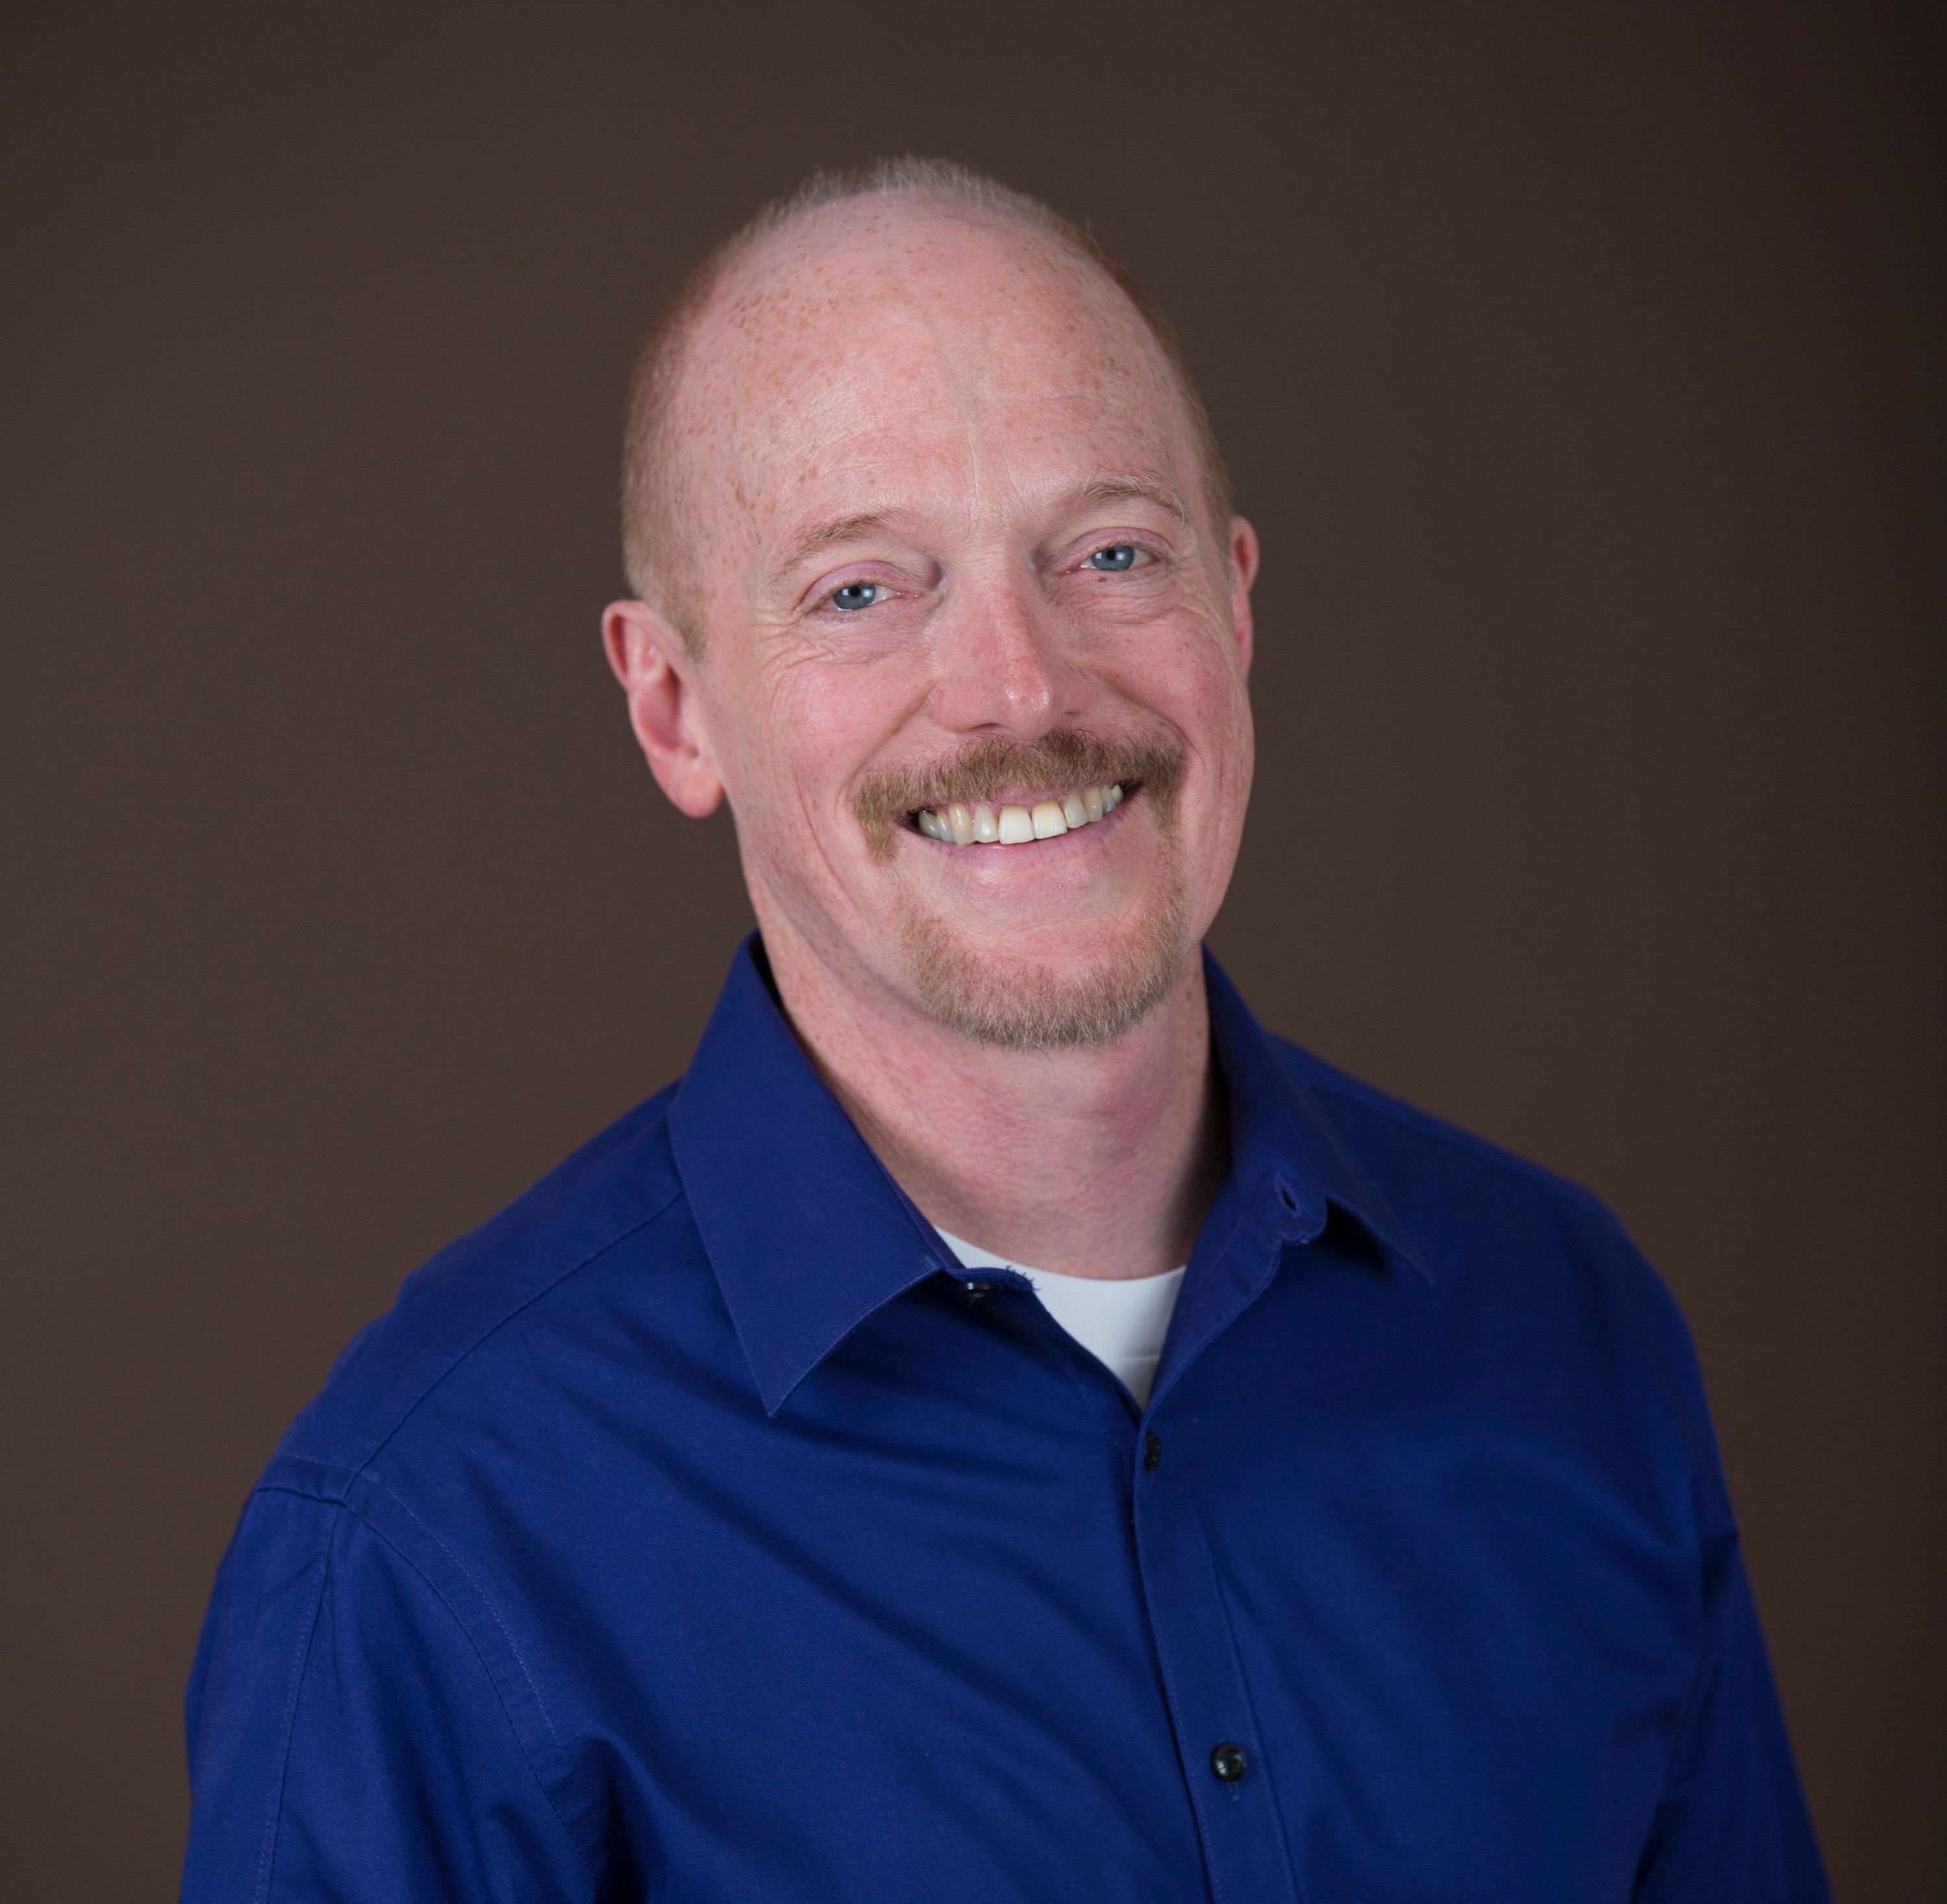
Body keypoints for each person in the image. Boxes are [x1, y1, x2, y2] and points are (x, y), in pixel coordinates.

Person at [180, 158, 1828, 1902]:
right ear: (673, 707)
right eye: (861, 590)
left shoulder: (1563, 1325)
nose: (1023, 687)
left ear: (1236, 604)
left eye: (1110, 554)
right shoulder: (430, 1529)